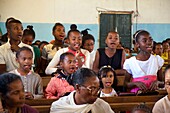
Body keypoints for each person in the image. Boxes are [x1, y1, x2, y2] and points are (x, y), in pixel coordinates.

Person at [50, 68, 115, 113]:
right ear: (78, 88)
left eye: (98, 88)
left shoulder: (101, 105)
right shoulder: (60, 107)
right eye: (92, 88)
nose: (96, 93)